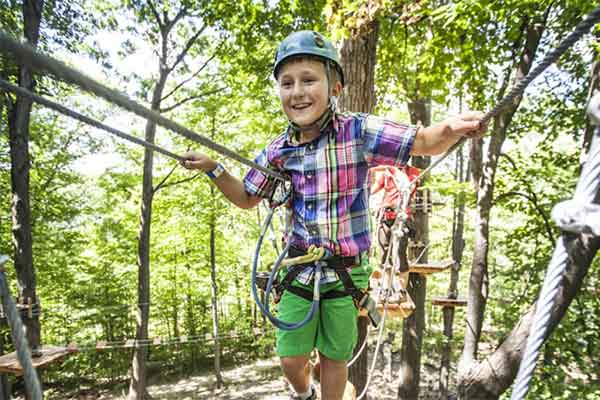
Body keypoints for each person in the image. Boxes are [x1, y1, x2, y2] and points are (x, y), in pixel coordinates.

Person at [182, 30, 485, 400]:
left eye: (309, 80)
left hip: (345, 270)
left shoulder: (358, 132)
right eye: (287, 83)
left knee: (334, 357)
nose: (297, 92)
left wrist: (452, 128)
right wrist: (215, 169)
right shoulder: (278, 151)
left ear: (335, 88)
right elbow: (247, 197)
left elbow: (422, 141)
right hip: (299, 268)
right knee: (290, 356)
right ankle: (304, 394)